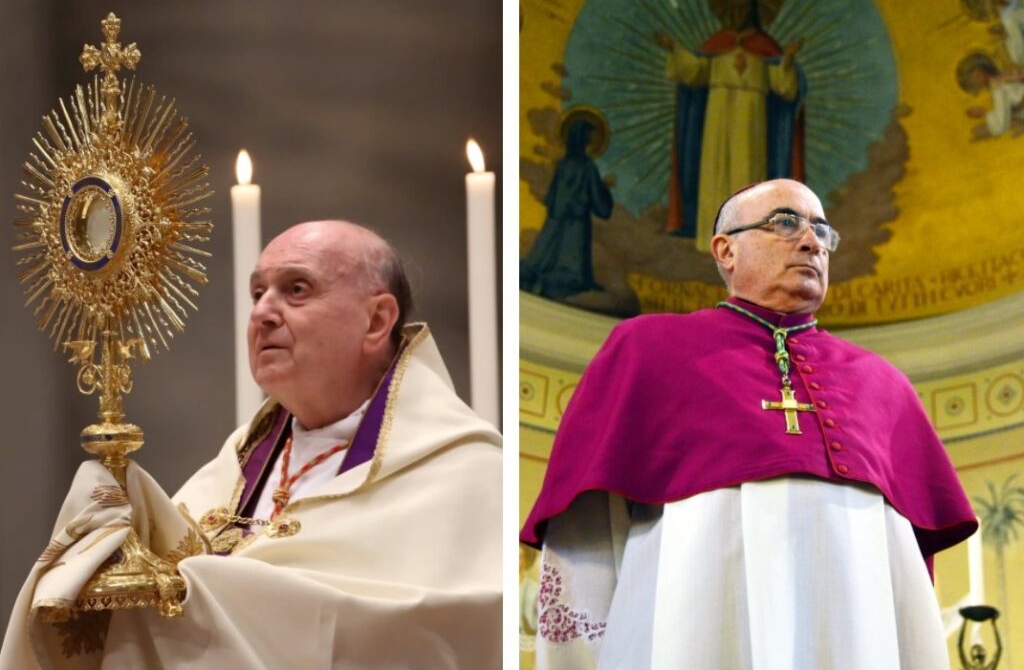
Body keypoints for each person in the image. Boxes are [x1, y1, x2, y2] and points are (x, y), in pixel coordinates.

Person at [1, 220, 502, 670]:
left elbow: (445, 632)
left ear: (376, 321)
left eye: (296, 289)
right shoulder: (239, 460)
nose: (262, 312)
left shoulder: (467, 470)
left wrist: (217, 596)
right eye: (258, 292)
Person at [521, 180, 977, 669]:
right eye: (785, 222)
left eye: (822, 231)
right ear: (725, 250)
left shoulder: (883, 384)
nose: (811, 242)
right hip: (692, 623)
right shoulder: (646, 349)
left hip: (854, 631)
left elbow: (907, 580)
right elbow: (588, 538)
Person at [656, 0, 805, 252]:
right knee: (713, 173)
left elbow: (784, 87)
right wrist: (673, 49)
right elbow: (696, 72)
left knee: (747, 176)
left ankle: (748, 242)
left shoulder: (766, 48)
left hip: (752, 122)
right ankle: (713, 237)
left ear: (754, 10)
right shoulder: (717, 44)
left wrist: (788, 61)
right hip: (716, 118)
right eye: (733, 7)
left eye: (744, 7)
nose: (738, 12)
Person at [520, 116, 614, 300]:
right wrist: (605, 188)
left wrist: (560, 207)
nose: (591, 139)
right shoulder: (587, 167)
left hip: (556, 218)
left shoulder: (563, 164)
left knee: (545, 254)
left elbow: (553, 195)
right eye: (589, 135)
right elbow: (598, 199)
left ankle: (539, 278)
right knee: (572, 262)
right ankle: (560, 281)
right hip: (577, 222)